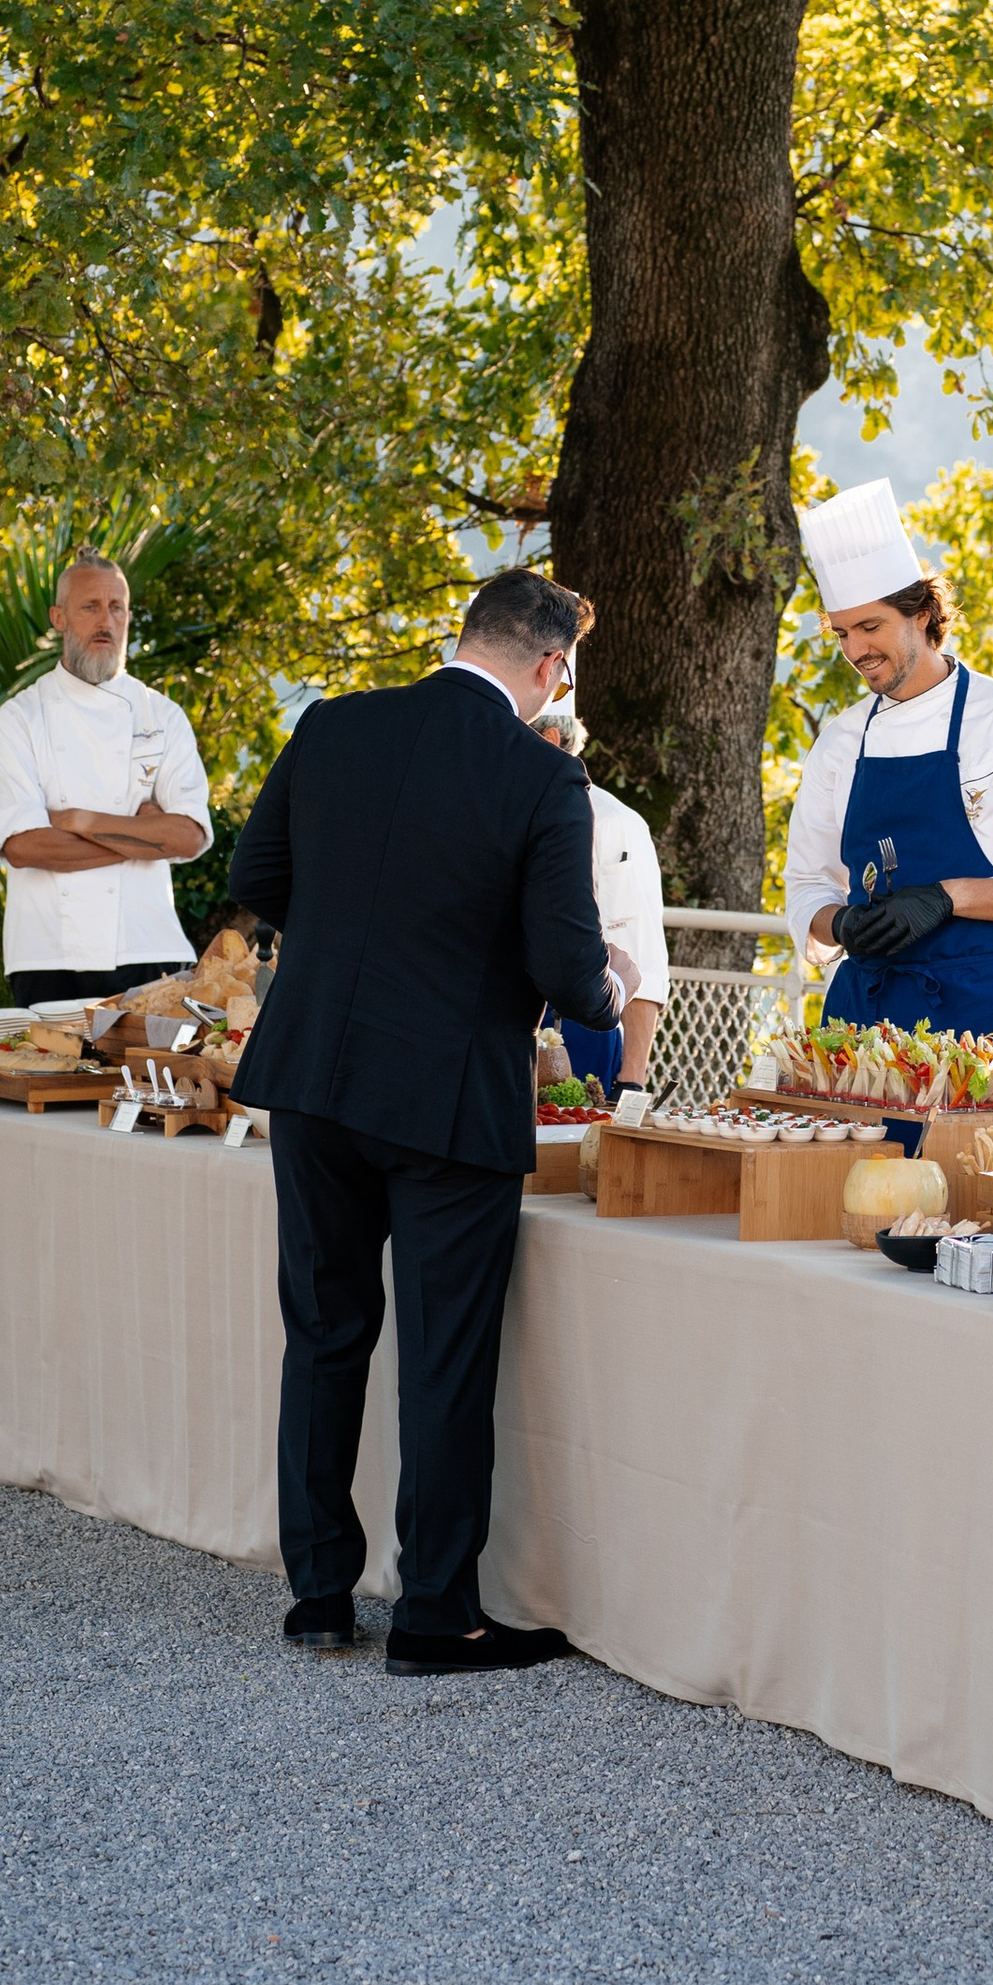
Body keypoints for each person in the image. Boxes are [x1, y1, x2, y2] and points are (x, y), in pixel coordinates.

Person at [228, 566, 623, 1676]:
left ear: (465, 636)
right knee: (443, 1358)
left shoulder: (335, 725)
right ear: (550, 668)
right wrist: (608, 987)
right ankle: (436, 1612)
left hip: (314, 1075)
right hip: (448, 1092)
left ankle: (317, 1595)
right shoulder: (545, 777)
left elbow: (258, 873)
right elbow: (561, 962)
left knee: (324, 1331)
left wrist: (363, 939)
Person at [783, 480, 993, 1043]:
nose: (856, 651)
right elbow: (808, 882)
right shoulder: (841, 741)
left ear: (924, 614)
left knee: (966, 1138)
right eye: (842, 634)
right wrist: (844, 924)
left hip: (979, 1008)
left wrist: (946, 897)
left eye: (870, 627)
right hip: (863, 1007)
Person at [0, 548, 214, 1007]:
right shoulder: (19, 718)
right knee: (55, 1078)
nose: (105, 622)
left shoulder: (162, 716)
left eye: (116, 608)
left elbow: (188, 837)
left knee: (156, 1081)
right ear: (59, 617)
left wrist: (77, 820)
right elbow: (23, 846)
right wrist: (143, 832)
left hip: (151, 946)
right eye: (90, 606)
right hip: (46, 954)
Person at [534, 688, 669, 1094]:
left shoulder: (615, 825)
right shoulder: (503, 812)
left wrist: (632, 1079)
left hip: (584, 1025)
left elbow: (641, 954)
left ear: (549, 741)